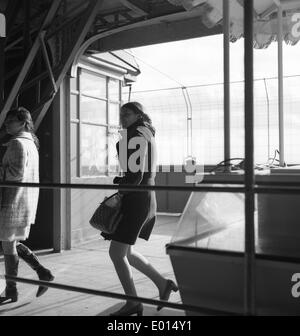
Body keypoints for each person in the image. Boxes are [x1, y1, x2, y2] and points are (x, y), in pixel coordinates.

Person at [102, 102, 178, 316]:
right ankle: (163, 284)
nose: (122, 117)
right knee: (126, 251)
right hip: (146, 196)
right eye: (121, 114)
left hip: (136, 199)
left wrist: (121, 191)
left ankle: (133, 302)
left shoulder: (135, 134)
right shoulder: (146, 133)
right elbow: (138, 172)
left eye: (127, 114)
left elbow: (134, 176)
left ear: (138, 115)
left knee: (116, 253)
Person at [0, 107, 54, 304]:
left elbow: (14, 174)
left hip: (12, 202)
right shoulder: (31, 143)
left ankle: (11, 290)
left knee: (8, 245)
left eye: (11, 120)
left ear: (23, 122)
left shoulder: (16, 143)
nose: (6, 123)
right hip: (23, 202)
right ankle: (43, 273)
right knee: (10, 242)